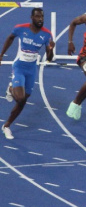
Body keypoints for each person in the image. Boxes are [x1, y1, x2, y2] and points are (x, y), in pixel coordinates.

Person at [0, 8, 54, 140]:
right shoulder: (20, 28)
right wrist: (1, 55)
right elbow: (10, 38)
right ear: (32, 17)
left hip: (31, 70)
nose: (40, 19)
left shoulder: (46, 34)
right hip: (19, 67)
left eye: (42, 17)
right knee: (19, 97)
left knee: (23, 101)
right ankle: (11, 88)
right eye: (37, 17)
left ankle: (6, 126)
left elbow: (49, 58)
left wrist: (51, 49)